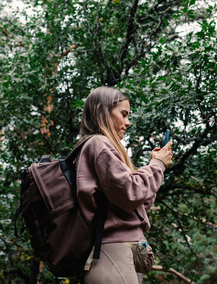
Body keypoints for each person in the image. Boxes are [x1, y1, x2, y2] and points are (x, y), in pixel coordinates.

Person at [75, 86, 173, 284]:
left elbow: (138, 204)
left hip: (116, 255)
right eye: (124, 114)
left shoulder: (99, 147)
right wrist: (157, 165)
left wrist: (154, 167)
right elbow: (131, 194)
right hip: (113, 253)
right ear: (103, 111)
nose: (127, 122)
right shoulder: (98, 144)